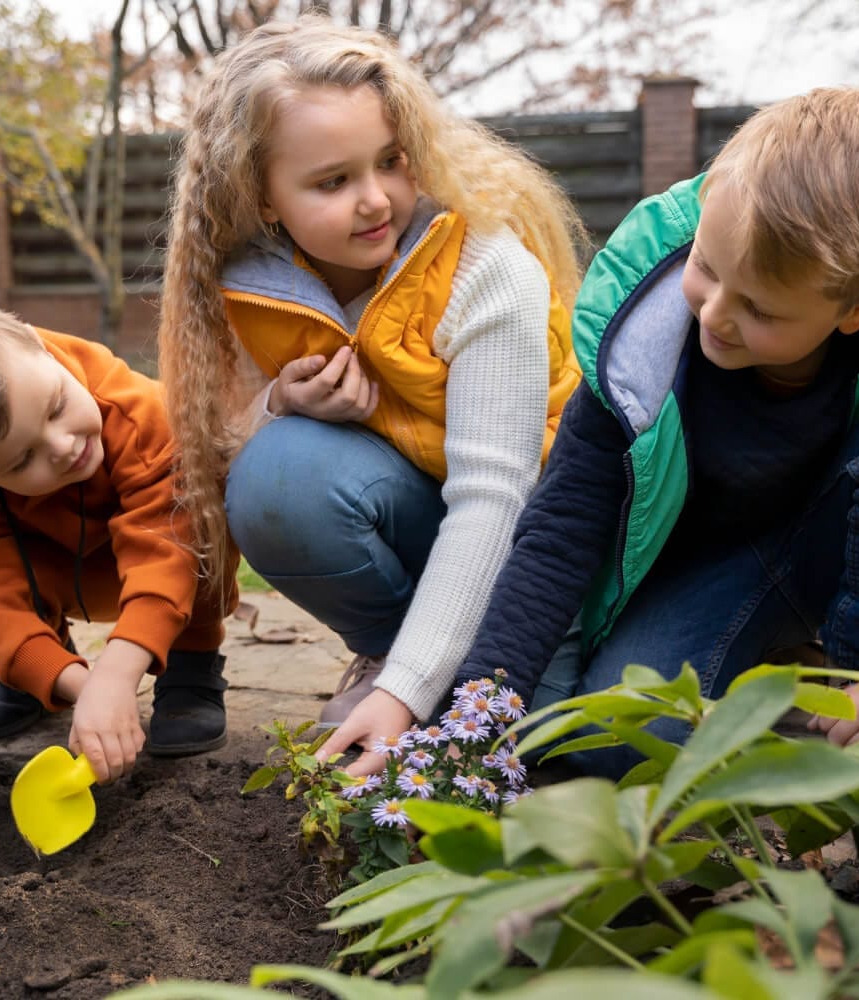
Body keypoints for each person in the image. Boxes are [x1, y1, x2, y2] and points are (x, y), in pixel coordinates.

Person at [453, 87, 859, 778]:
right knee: (614, 747)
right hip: (706, 579)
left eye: (761, 310)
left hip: (854, 557)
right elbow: (561, 531)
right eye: (706, 269)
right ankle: (775, 678)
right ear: (705, 206)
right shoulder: (639, 346)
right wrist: (481, 712)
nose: (715, 314)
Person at [155, 18, 587, 777]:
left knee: (570, 751)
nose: (376, 199)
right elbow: (221, 447)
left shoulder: (485, 266)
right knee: (280, 475)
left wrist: (406, 697)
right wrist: (280, 405)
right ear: (264, 198)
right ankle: (396, 648)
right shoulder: (254, 287)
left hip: (539, 547)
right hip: (420, 515)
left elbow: (496, 496)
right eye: (333, 181)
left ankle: (432, 672)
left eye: (392, 160)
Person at [0, 281, 237, 783]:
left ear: (39, 346)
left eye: (56, 407)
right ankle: (37, 673)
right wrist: (83, 686)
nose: (63, 445)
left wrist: (119, 673)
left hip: (161, 565)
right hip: (60, 565)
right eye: (21, 460)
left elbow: (166, 546)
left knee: (199, 516)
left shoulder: (142, 415)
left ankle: (190, 663)